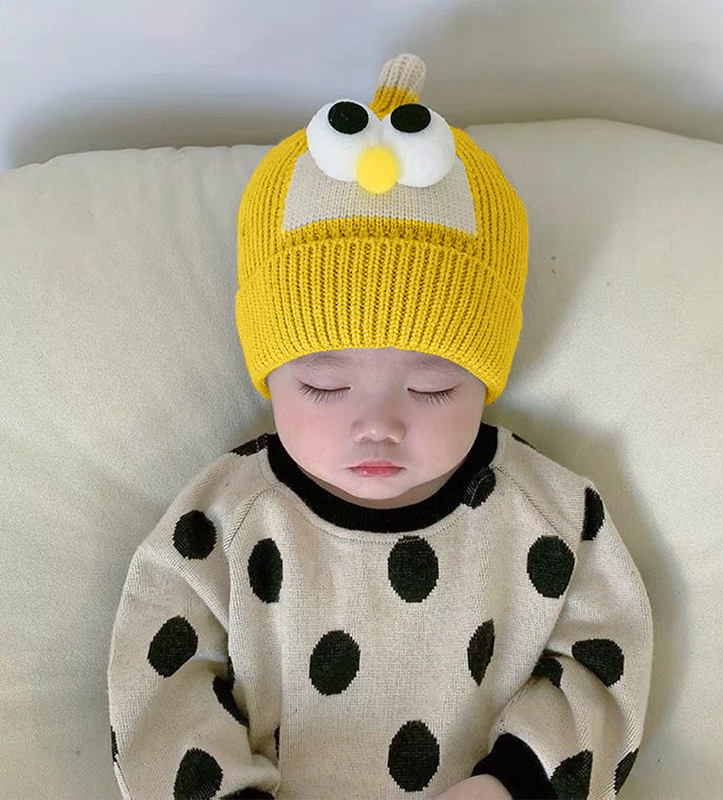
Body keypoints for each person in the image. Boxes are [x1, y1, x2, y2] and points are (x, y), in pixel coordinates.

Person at [107, 53, 653, 800]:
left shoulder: (549, 518)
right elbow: (156, 685)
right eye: (324, 386)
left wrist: (515, 782)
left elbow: (609, 653)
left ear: (485, 380)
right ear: (268, 374)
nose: (377, 425)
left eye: (432, 388)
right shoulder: (226, 519)